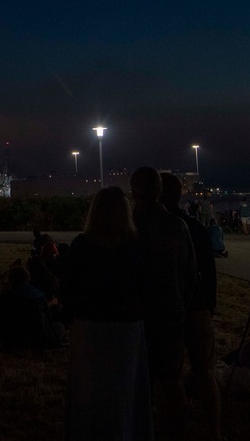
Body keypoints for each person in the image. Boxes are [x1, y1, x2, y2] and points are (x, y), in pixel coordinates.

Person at [62, 187, 152, 440]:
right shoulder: (135, 247)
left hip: (89, 326)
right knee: (125, 390)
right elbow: (146, 286)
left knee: (88, 390)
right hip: (126, 328)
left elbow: (69, 287)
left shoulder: (82, 246)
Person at [130, 167, 196, 441]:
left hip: (135, 317)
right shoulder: (177, 226)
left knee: (136, 384)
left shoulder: (129, 226)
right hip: (170, 315)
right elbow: (190, 275)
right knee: (172, 381)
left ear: (133, 192)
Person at [160, 172, 222, 441]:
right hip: (198, 309)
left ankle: (174, 430)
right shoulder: (195, 227)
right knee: (205, 372)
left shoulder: (154, 228)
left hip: (169, 311)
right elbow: (210, 271)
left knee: (169, 377)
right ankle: (214, 431)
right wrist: (210, 305)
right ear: (180, 194)